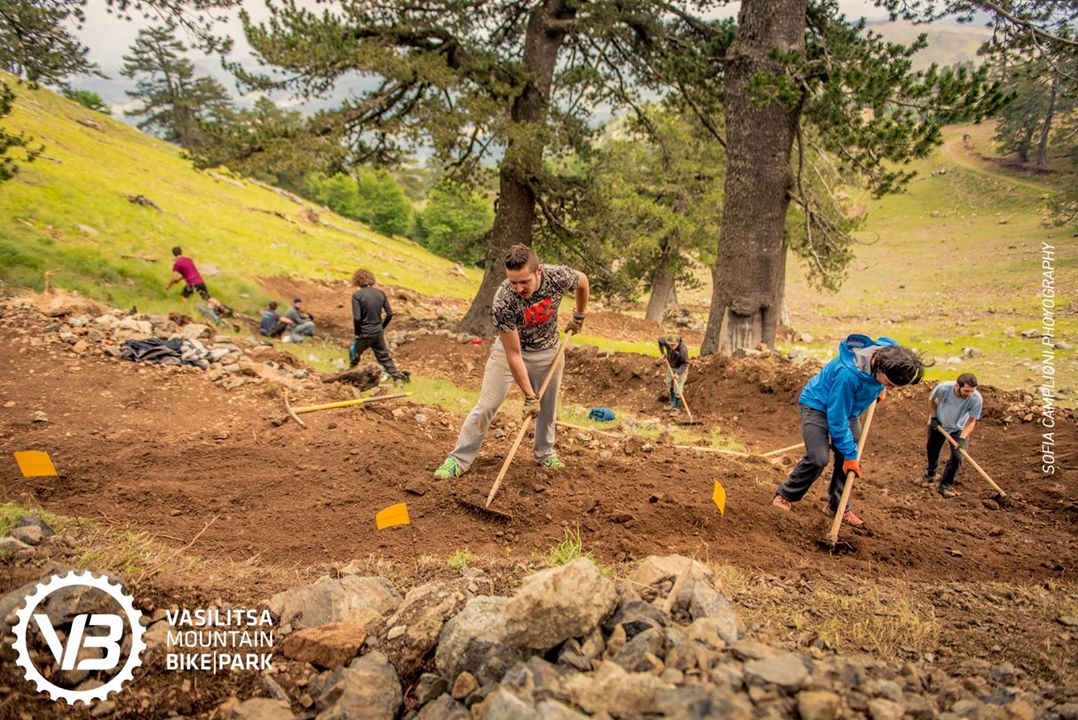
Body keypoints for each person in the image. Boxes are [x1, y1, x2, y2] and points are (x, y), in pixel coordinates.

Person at [434, 244, 589, 479]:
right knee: (487, 404)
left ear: (538, 272)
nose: (518, 288)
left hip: (549, 351)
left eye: (524, 281)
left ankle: (545, 454)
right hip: (510, 353)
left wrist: (579, 315)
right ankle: (458, 459)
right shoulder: (503, 300)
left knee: (547, 409)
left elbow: (583, 281)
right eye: (513, 282)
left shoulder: (557, 276)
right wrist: (528, 396)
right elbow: (514, 354)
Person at [771, 334, 926, 526]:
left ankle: (837, 506)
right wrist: (851, 454)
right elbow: (837, 418)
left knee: (847, 460)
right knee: (819, 458)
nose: (891, 389)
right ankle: (786, 495)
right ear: (881, 368)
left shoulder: (890, 352)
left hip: (849, 410)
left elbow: (885, 339)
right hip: (818, 405)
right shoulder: (848, 374)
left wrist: (881, 388)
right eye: (890, 385)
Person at [921, 373, 983, 498]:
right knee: (932, 449)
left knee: (958, 457)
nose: (969, 394)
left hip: (958, 429)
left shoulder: (976, 398)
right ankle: (931, 474)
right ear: (957, 386)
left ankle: (945, 485)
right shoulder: (943, 388)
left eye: (972, 391)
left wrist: (962, 438)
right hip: (939, 424)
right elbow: (931, 400)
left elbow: (971, 421)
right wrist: (933, 417)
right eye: (966, 391)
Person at [349, 269, 409, 382]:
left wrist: (357, 333)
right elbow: (389, 313)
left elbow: (357, 318)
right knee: (384, 357)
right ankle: (397, 378)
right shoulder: (380, 293)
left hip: (364, 332)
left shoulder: (357, 296)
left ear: (357, 280)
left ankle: (352, 377)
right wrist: (381, 327)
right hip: (377, 332)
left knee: (354, 354)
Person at [165, 246, 232, 323]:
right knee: (207, 297)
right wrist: (180, 279)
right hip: (200, 281)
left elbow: (174, 278)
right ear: (181, 252)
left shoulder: (177, 264)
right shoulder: (189, 259)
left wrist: (168, 286)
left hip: (192, 283)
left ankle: (188, 315)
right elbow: (188, 272)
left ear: (173, 254)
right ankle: (223, 309)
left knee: (184, 296)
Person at [657, 334, 690, 413]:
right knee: (669, 382)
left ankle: (677, 407)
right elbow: (659, 340)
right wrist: (663, 353)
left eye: (674, 345)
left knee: (677, 387)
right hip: (672, 365)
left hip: (681, 368)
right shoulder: (665, 341)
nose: (672, 346)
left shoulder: (683, 350)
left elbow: (685, 363)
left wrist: (677, 373)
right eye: (670, 345)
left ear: (678, 343)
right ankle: (672, 402)